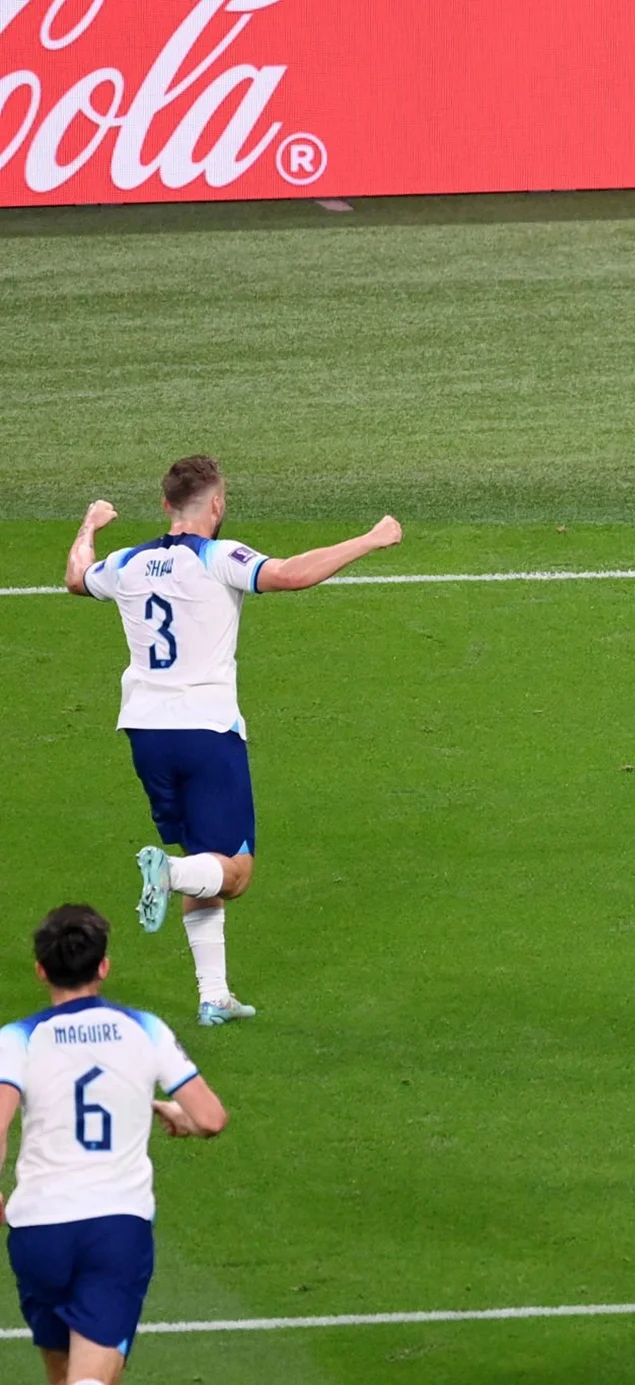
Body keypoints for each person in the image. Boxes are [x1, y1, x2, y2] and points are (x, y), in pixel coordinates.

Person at [63, 455, 403, 1025]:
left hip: (145, 733)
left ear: (166, 504)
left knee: (207, 859)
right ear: (217, 504)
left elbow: (76, 576)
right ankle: (168, 874)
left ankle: (213, 994)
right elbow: (290, 574)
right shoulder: (218, 556)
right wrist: (370, 539)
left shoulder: (127, 563)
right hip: (206, 733)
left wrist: (90, 525)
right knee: (235, 872)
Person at [0, 905, 227, 1385]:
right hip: (114, 1231)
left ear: (41, 970)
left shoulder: (16, 1039)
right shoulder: (144, 1028)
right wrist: (179, 1115)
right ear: (103, 966)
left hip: (38, 1231)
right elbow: (211, 1118)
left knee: (65, 1375)